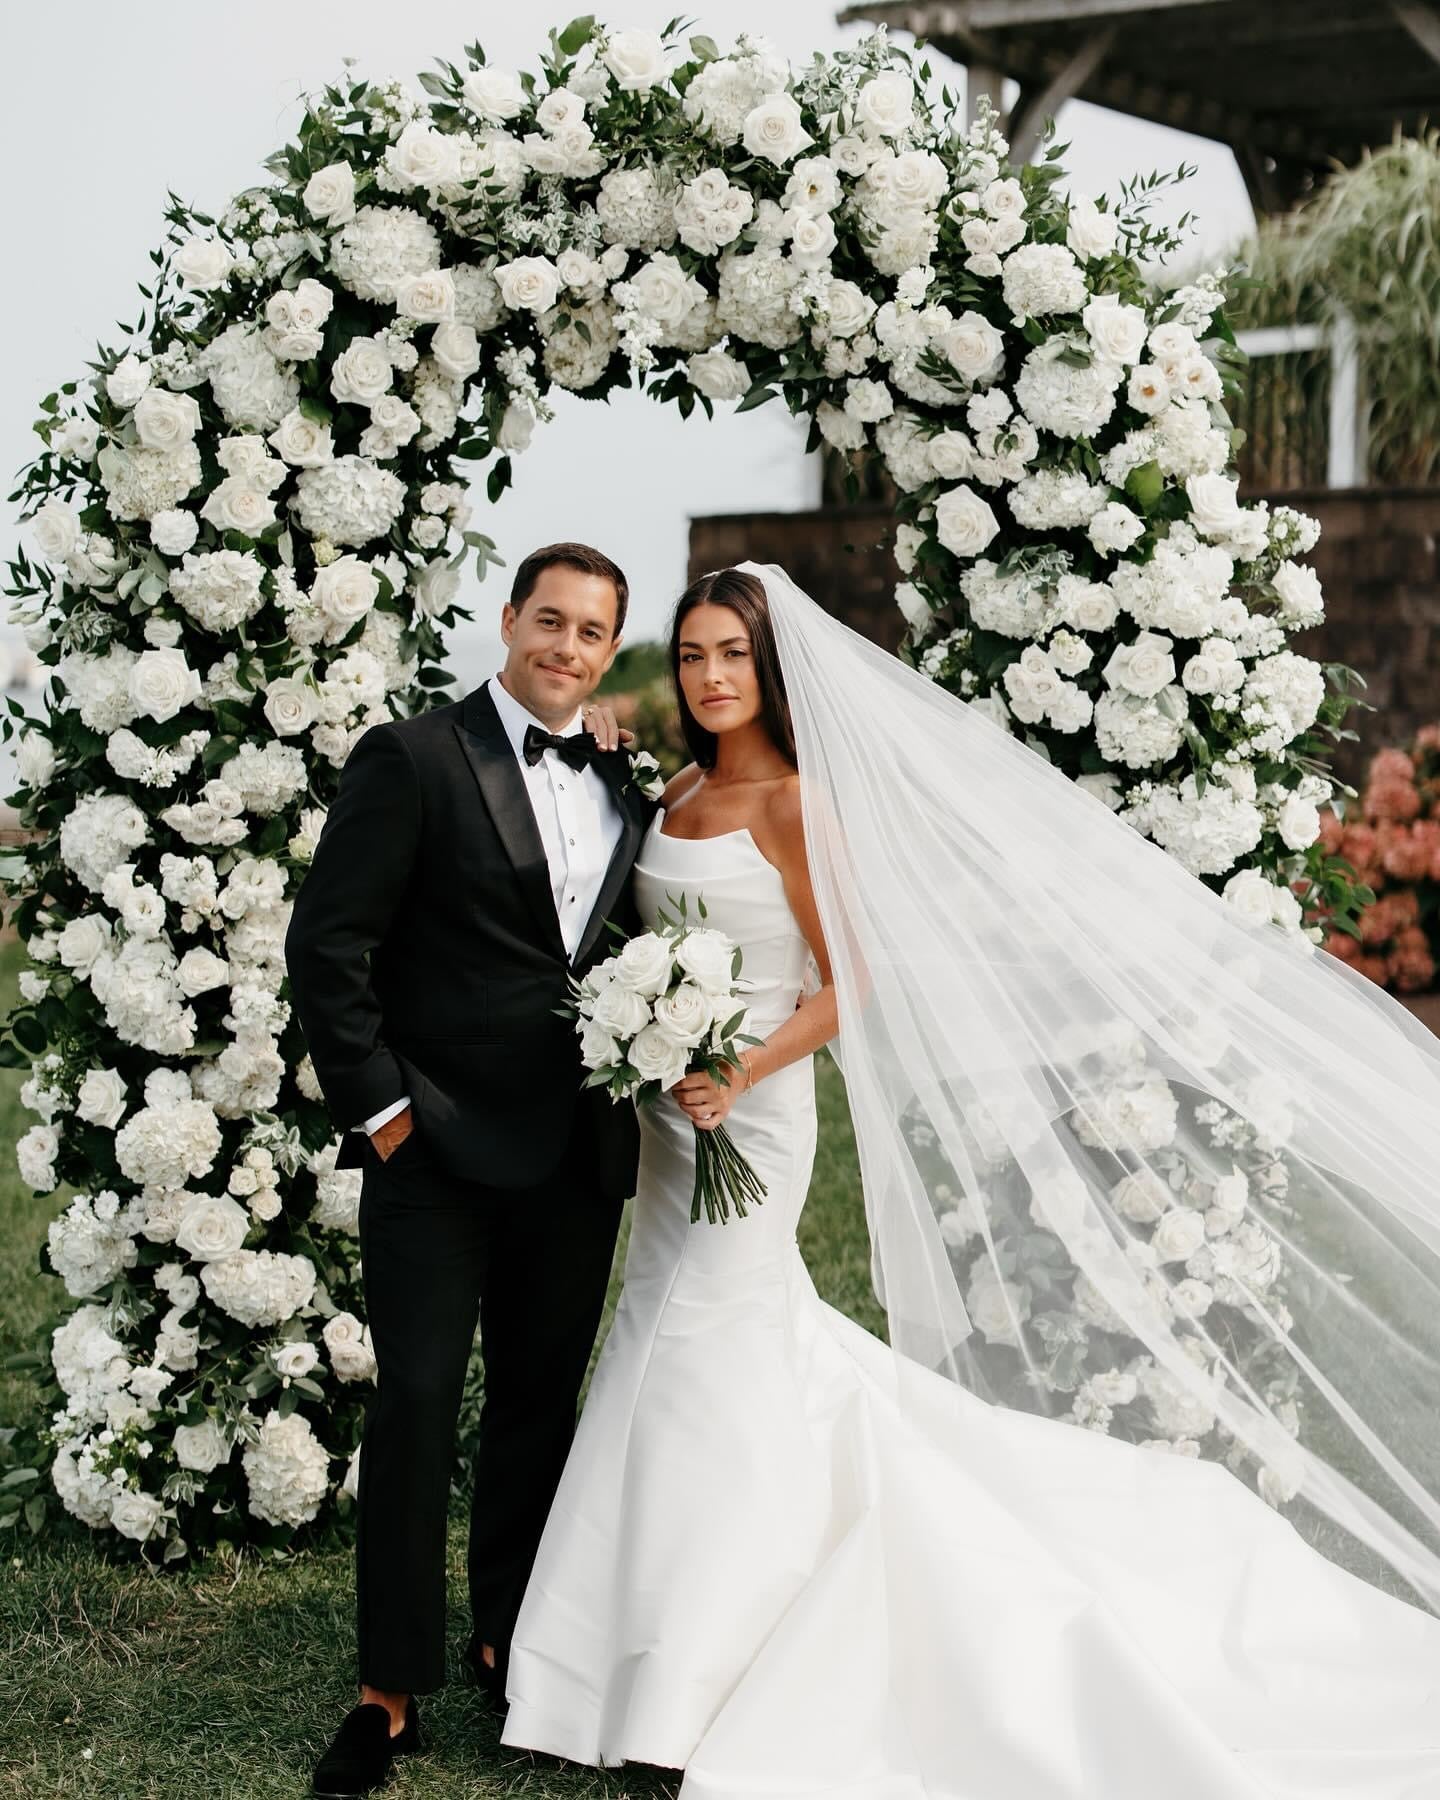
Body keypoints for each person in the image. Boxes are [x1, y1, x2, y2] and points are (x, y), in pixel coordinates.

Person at [499, 562, 1440, 1797]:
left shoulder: (796, 805)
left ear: (769, 669)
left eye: (732, 654)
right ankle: (604, 1661)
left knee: (705, 1346)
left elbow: (851, 982)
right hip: (673, 1127)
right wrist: (656, 1045)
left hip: (754, 1113)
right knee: (664, 1330)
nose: (711, 676)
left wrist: (736, 1063)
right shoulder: (667, 792)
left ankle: (688, 1679)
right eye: (690, 656)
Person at [284, 541, 658, 1800]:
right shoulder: (414, 758)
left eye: (592, 632)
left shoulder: (624, 775)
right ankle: (386, 1693)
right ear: (508, 622)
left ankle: (512, 1640)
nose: (566, 648)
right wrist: (384, 1111)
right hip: (433, 1148)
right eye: (548, 621)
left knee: (537, 1413)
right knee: (417, 1410)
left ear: (611, 647)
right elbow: (328, 947)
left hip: (573, 1155)